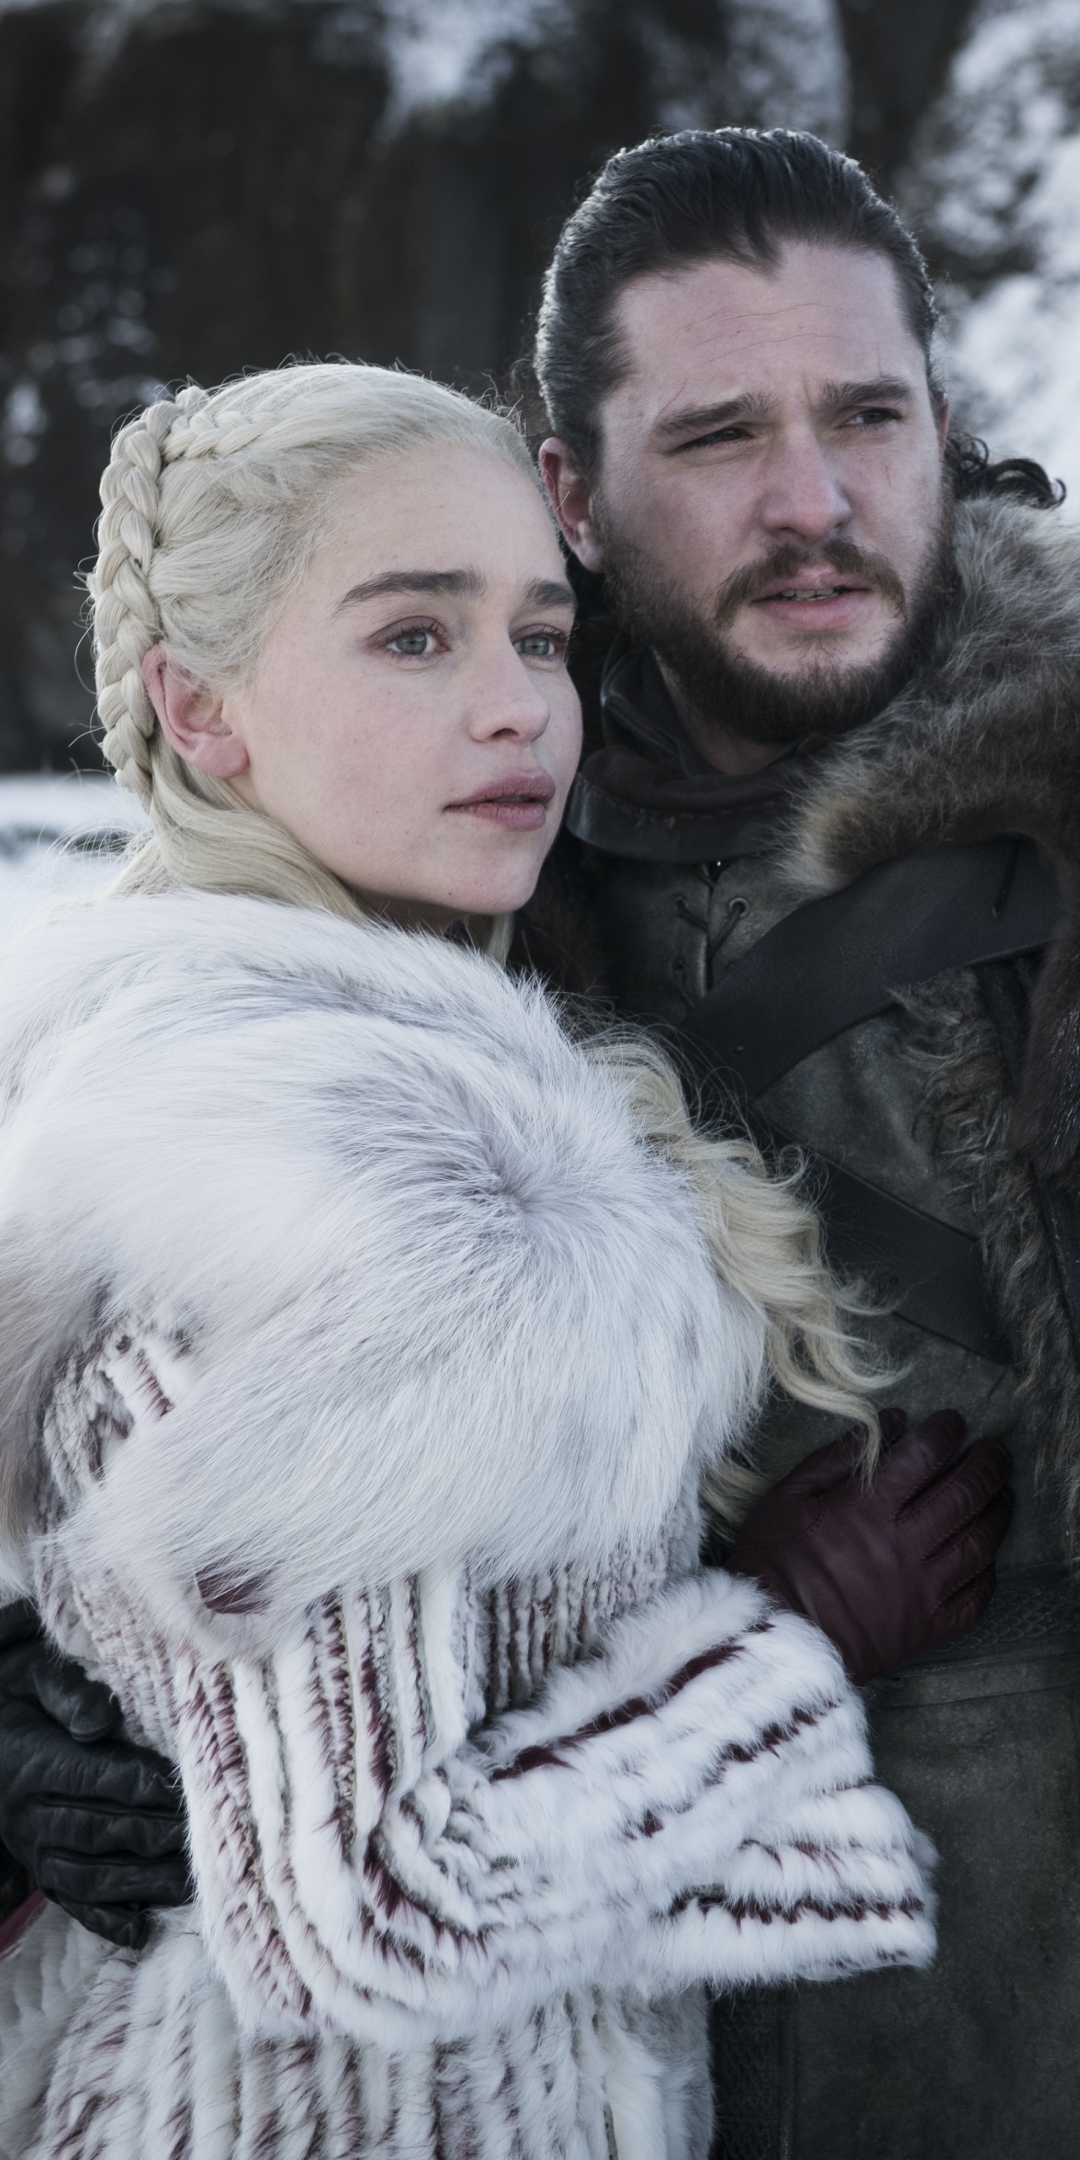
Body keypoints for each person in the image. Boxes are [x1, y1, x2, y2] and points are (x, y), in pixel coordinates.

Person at [0, 360, 937, 2157]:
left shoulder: (128, 1081)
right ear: (199, 709)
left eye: (540, 636)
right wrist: (784, 1650)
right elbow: (376, 1914)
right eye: (414, 639)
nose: (519, 708)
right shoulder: (361, 1196)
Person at [520, 126, 1080, 2159]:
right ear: (573, 498)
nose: (816, 502)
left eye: (866, 415)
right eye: (718, 436)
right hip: (579, 2036)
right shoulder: (412, 880)